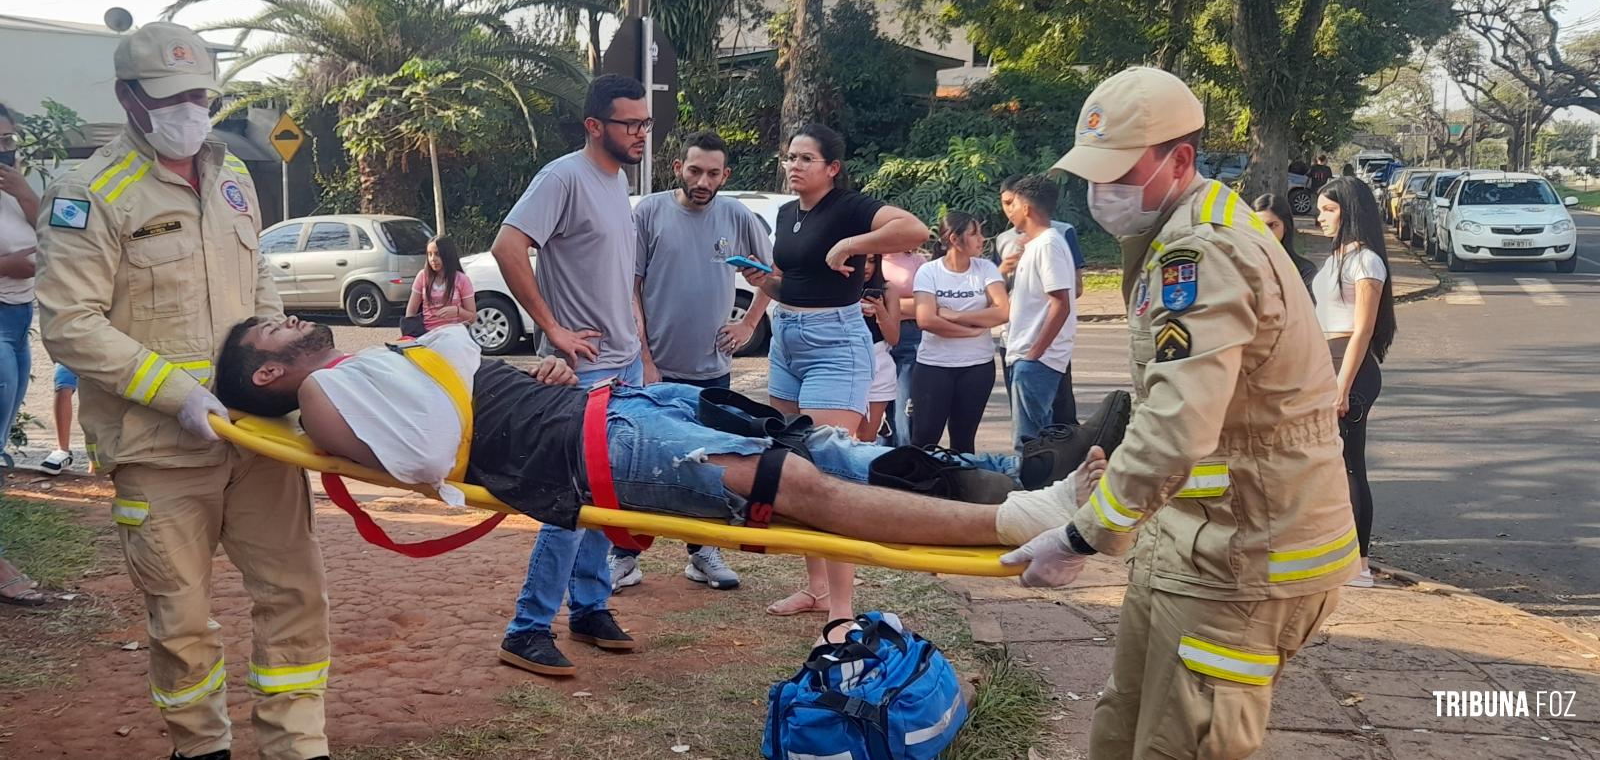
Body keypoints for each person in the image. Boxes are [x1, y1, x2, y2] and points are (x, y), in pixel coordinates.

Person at [1008, 65, 1357, 759]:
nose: (1101, 191)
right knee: (1123, 725)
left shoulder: (1201, 249)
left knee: (1181, 745)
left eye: (1118, 172)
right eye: (1091, 174)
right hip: (1196, 545)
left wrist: (1081, 537)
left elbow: (1178, 424)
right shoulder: (1182, 229)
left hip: (1245, 560)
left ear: (1181, 160)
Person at [213, 317, 1111, 584]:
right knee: (799, 485)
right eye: (270, 333)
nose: (287, 319)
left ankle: (1032, 476)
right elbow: (418, 455)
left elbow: (448, 403)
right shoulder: (327, 394)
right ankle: (1022, 518)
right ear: (265, 377)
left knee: (819, 448)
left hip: (613, 412)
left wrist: (523, 372)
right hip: (600, 449)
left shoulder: (357, 373)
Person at [34, 23, 331, 760]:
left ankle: (299, 746)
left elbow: (259, 276)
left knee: (295, 596)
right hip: (160, 451)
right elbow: (70, 323)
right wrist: (177, 393)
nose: (189, 108)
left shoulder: (233, 176)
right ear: (128, 98)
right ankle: (201, 748)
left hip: (257, 440)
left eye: (200, 93)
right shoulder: (89, 194)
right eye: (171, 96)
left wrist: (277, 372)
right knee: (183, 618)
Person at [738, 123, 929, 632]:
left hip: (835, 345)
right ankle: (817, 590)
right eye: (790, 157)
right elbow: (792, 283)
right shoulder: (784, 213)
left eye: (806, 158)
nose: (794, 165)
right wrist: (764, 283)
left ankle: (843, 611)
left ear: (832, 168)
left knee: (829, 470)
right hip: (788, 340)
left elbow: (915, 230)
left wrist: (851, 244)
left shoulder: (849, 207)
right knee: (795, 468)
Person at [488, 74, 649, 676]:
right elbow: (508, 246)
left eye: (645, 123)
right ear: (594, 125)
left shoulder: (619, 180)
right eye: (629, 123)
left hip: (624, 363)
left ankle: (589, 608)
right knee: (571, 501)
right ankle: (527, 628)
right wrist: (553, 328)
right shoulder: (562, 177)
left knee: (610, 494)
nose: (640, 133)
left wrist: (639, 349)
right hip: (581, 373)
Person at [611, 131, 773, 593]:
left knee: (707, 464)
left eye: (713, 173)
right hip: (654, 368)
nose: (703, 180)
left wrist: (747, 324)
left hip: (712, 370)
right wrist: (643, 356)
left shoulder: (737, 215)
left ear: (726, 175)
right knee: (637, 463)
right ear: (678, 167)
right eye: (695, 170)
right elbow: (632, 287)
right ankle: (624, 555)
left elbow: (772, 277)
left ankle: (702, 553)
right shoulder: (649, 212)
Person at [1313, 177, 1397, 589]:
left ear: (1349, 211)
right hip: (1324, 362)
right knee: (1322, 466)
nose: (1320, 217)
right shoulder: (1335, 258)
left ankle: (1359, 563)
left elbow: (1362, 331)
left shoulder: (1366, 262)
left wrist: (1342, 387)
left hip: (1351, 366)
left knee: (1349, 465)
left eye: (1328, 210)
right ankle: (1332, 552)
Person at [910, 212, 1006, 453]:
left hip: (977, 367)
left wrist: (956, 316)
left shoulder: (985, 269)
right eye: (974, 234)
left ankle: (959, 490)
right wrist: (971, 331)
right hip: (934, 367)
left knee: (964, 442)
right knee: (924, 439)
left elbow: (1003, 311)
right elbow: (926, 319)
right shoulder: (929, 272)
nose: (982, 239)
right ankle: (919, 490)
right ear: (954, 239)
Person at [995, 175, 1087, 426]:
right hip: (1023, 354)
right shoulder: (1034, 244)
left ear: (1026, 208)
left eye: (1012, 204)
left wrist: (1034, 355)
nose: (1009, 211)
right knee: (1032, 440)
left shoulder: (1048, 244)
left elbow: (1061, 304)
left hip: (1035, 359)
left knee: (1030, 442)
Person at [0, 102, 38, 464]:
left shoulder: (15, 188)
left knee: (6, 415)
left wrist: (24, 192)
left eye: (7, 139)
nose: (3, 149)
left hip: (21, 313)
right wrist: (7, 265)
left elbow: (54, 233)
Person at [879, 249, 926, 445]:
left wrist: (887, 304)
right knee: (878, 411)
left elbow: (927, 304)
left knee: (903, 408)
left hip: (910, 336)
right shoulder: (870, 258)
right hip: (877, 337)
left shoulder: (917, 261)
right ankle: (880, 463)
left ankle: (906, 460)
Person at [857, 254, 902, 443]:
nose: (867, 266)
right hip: (844, 364)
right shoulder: (836, 288)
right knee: (842, 435)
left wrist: (881, 312)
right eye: (862, 260)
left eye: (872, 260)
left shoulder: (888, 289)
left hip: (879, 363)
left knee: (865, 438)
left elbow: (894, 338)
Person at [405, 235, 475, 333]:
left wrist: (458, 311)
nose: (433, 259)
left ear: (447, 255)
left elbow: (472, 317)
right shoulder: (422, 276)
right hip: (427, 334)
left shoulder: (462, 280)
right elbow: (411, 312)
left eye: (437, 254)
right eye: (430, 254)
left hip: (454, 334)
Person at [1252, 193, 1317, 295]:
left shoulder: (1304, 271)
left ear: (1285, 226)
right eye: (1258, 226)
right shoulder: (1240, 266)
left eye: (1272, 225)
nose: (1265, 232)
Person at [39, 363, 83, 475]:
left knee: (96, 395)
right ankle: (62, 451)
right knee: (63, 383)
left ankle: (95, 469)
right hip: (72, 348)